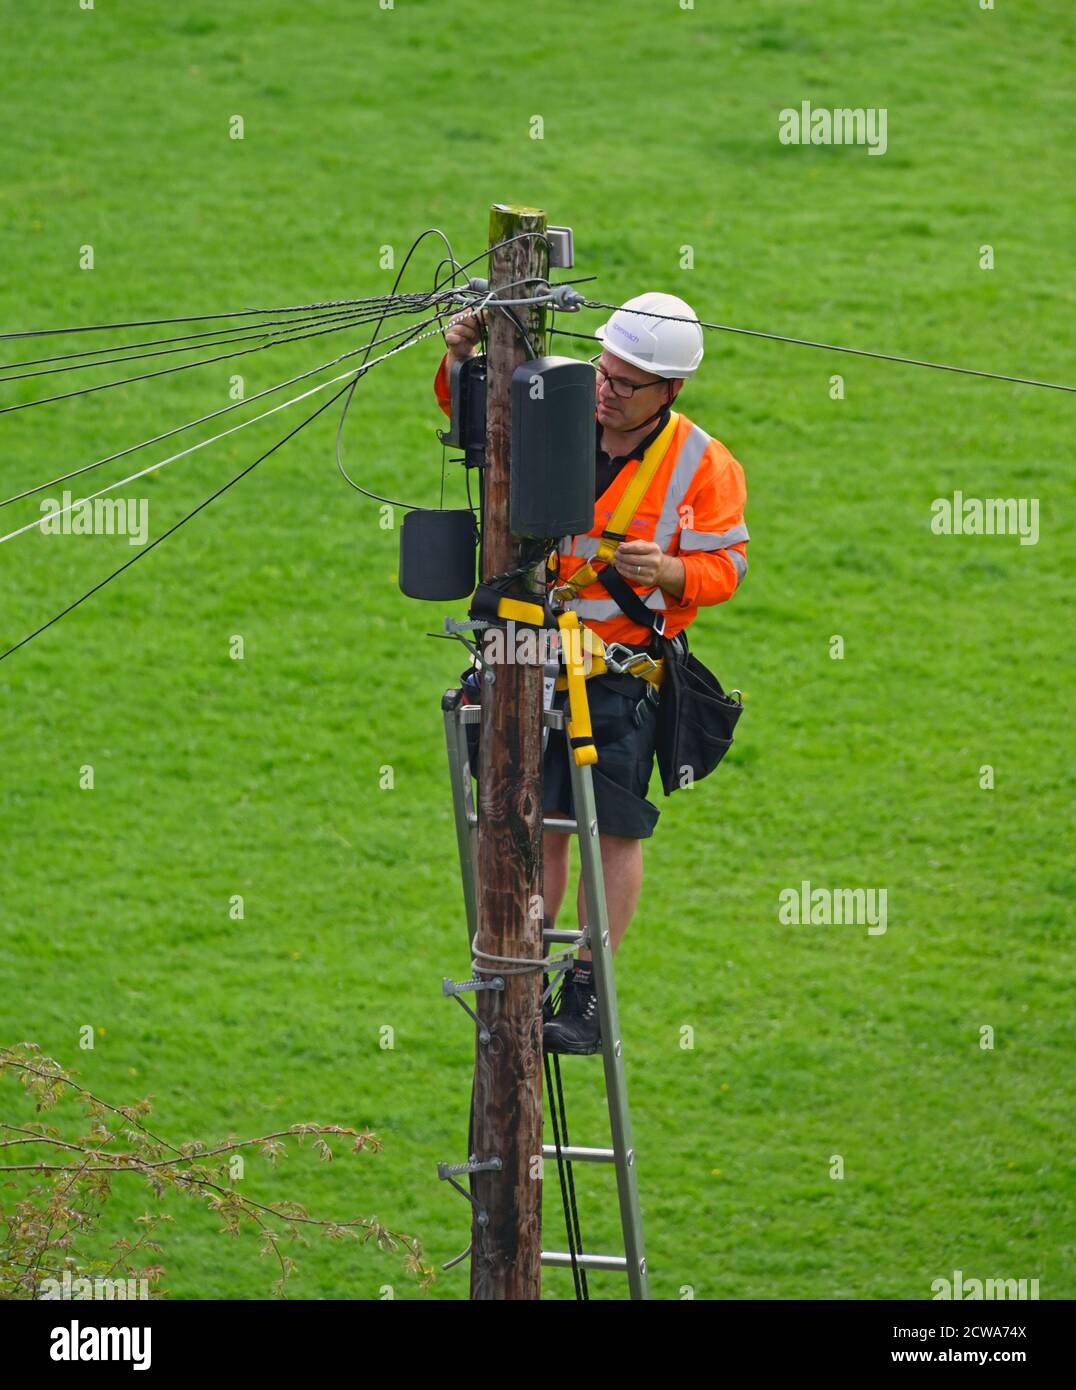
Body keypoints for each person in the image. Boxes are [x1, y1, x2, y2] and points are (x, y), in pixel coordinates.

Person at [434, 293, 749, 1053]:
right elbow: (474, 423)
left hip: (616, 671)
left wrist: (673, 571)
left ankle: (585, 986)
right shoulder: (558, 409)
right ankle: (523, 966)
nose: (605, 390)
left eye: (626, 383)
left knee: (610, 830)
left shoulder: (706, 465)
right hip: (527, 653)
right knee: (533, 818)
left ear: (669, 391)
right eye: (604, 372)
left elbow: (726, 567)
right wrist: (459, 359)